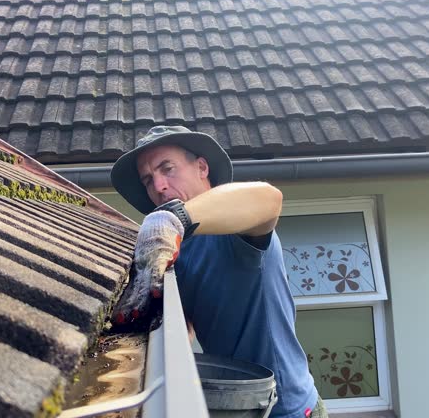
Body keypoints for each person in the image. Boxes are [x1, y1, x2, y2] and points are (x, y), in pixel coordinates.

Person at [110, 125, 327, 418]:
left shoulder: (238, 226)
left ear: (202, 167)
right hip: (237, 405)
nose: (159, 186)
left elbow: (270, 199)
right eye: (148, 179)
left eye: (168, 168)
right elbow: (184, 326)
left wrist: (175, 217)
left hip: (289, 408)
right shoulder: (176, 249)